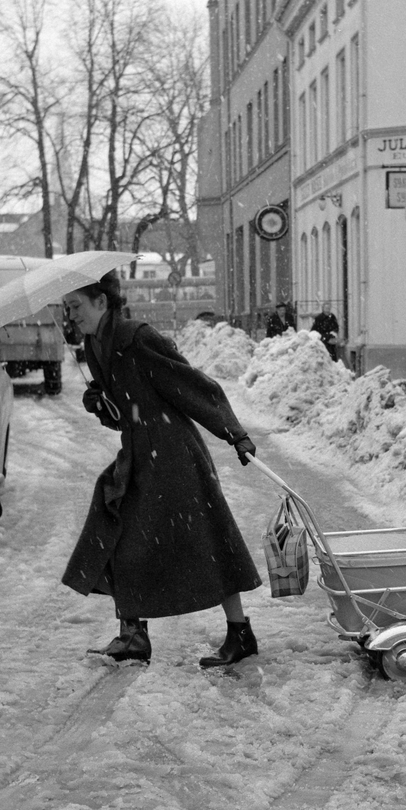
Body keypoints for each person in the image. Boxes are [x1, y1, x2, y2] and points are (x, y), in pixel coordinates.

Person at [61, 271, 262, 668]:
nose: (71, 316)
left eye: (76, 306)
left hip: (173, 456)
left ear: (101, 301)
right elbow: (123, 417)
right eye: (66, 309)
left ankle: (240, 633)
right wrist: (100, 405)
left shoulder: (137, 337)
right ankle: (133, 634)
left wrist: (233, 432)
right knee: (118, 533)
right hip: (138, 454)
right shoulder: (93, 343)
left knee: (209, 538)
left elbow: (190, 384)